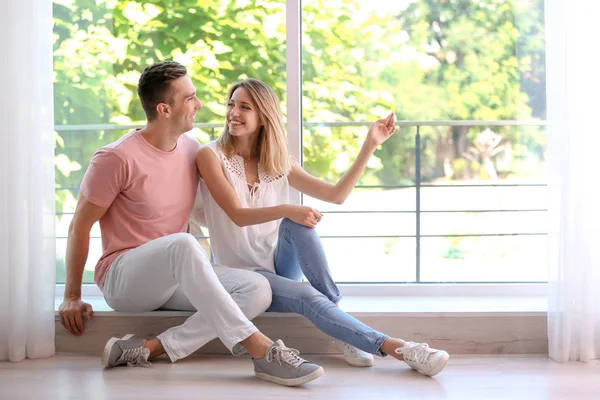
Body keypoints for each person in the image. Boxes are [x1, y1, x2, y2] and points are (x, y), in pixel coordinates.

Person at [57, 62, 324, 387]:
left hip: (174, 275)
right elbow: (78, 226)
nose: (199, 105)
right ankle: (260, 350)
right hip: (125, 278)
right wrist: (71, 295)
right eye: (190, 98)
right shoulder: (116, 158)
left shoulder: (191, 151)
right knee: (183, 244)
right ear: (164, 109)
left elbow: (206, 211)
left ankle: (148, 349)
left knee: (258, 288)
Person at [195, 78, 450, 377]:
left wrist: (370, 145)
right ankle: (400, 348)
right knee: (308, 294)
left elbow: (336, 195)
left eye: (244, 107)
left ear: (264, 117)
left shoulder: (279, 163)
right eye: (231, 105)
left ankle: (339, 323)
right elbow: (237, 215)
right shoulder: (210, 156)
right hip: (242, 276)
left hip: (276, 265)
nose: (233, 113)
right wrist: (288, 208)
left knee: (298, 225)